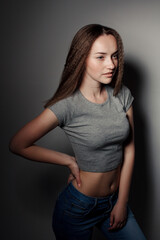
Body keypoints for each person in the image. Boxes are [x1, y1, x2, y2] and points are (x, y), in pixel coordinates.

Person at [9, 24, 146, 240]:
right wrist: (68, 161)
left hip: (114, 201)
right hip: (78, 208)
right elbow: (18, 144)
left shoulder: (122, 95)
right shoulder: (67, 105)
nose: (111, 64)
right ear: (82, 58)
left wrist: (122, 202)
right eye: (101, 57)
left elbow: (129, 150)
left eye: (115, 56)